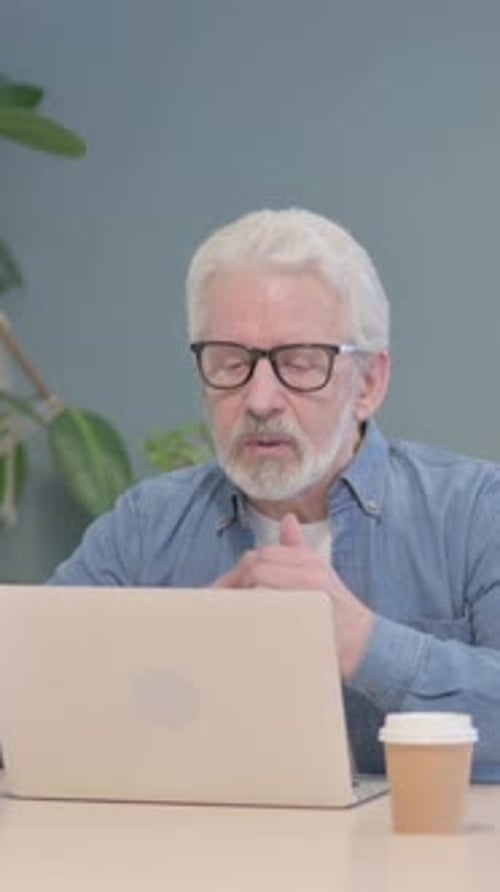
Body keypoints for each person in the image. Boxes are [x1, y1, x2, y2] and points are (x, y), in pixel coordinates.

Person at [48, 208, 500, 781]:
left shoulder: (476, 510)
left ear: (368, 383)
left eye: (299, 364)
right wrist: (172, 654)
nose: (260, 399)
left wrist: (363, 645)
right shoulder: (145, 528)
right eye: (230, 363)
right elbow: (28, 698)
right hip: (205, 839)